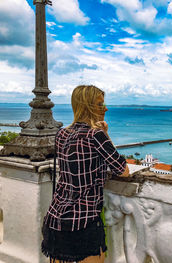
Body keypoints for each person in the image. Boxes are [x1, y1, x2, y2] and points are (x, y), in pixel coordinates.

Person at [42, 85, 130, 263]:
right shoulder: (96, 135)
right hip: (84, 220)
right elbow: (123, 170)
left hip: (55, 218)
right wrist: (106, 134)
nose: (105, 108)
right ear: (87, 106)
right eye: (100, 104)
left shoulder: (61, 134)